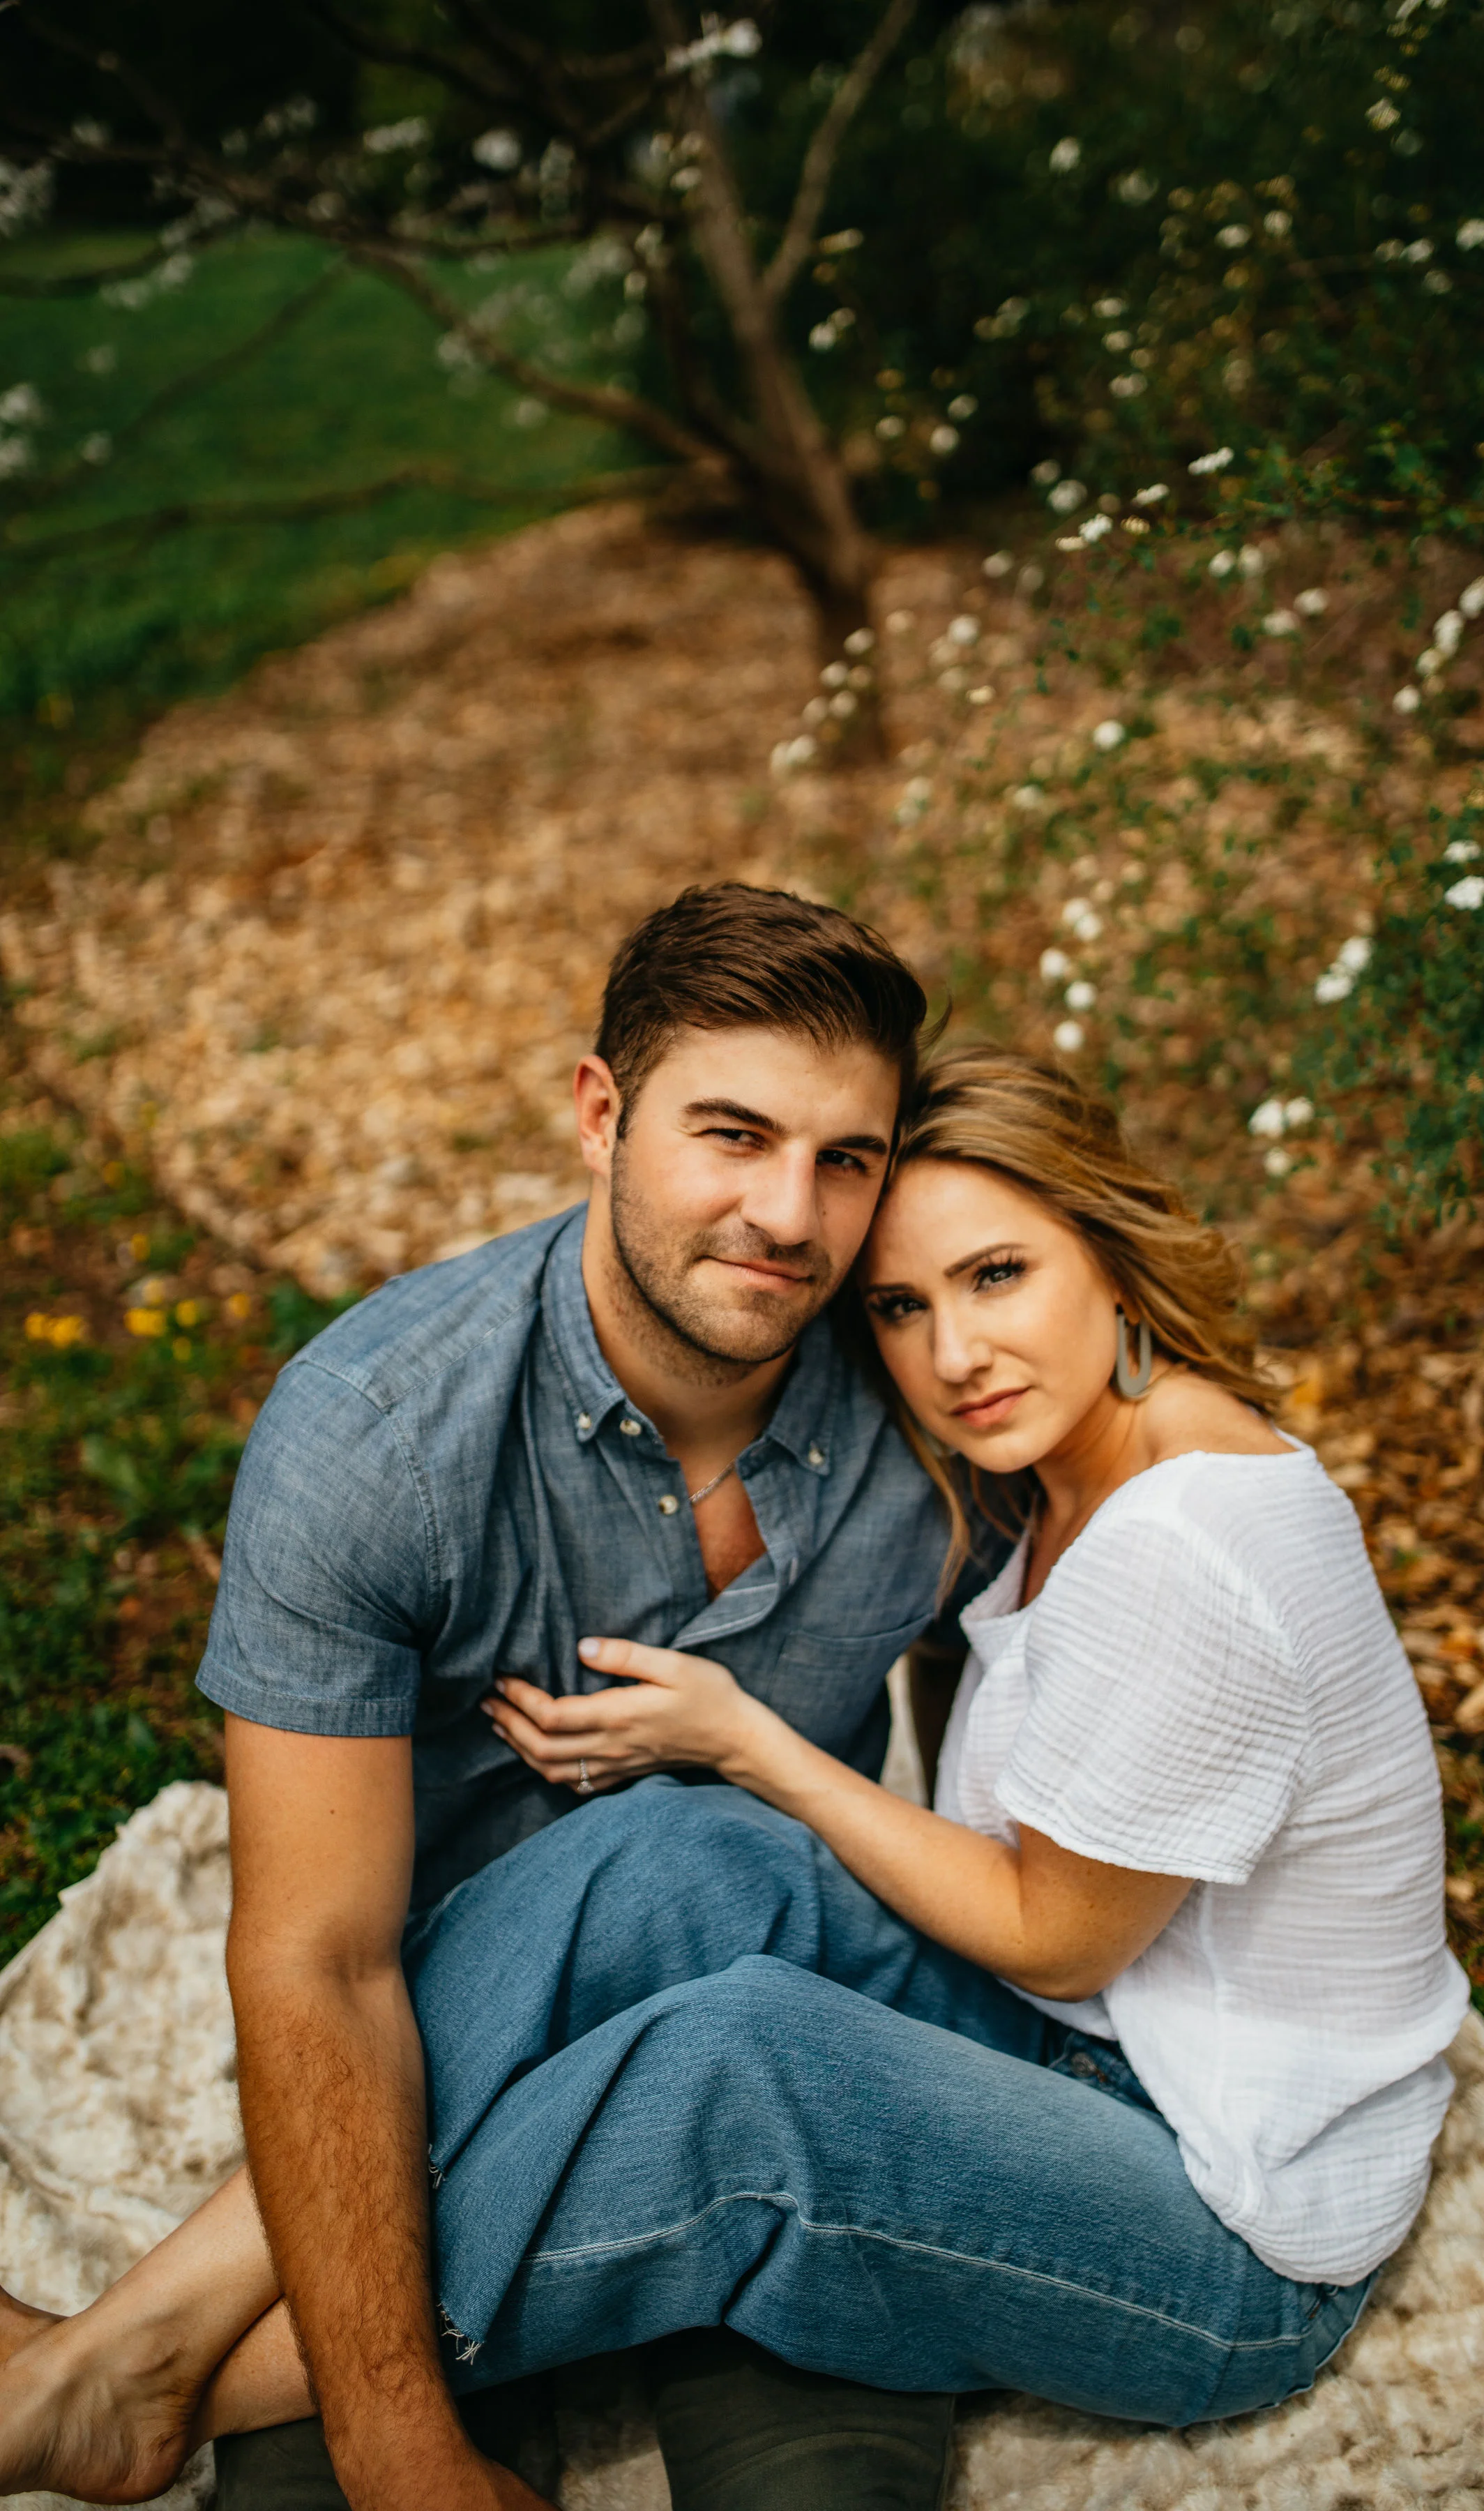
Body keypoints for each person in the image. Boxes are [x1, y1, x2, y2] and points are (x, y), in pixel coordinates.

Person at [0, 1043, 1469, 2487]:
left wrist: (750, 1741)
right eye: (901, 1306)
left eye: (999, 1275)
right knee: (663, 1855)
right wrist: (727, 1778)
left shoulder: (1189, 1548)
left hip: (1220, 2216)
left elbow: (1057, 1933)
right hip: (1079, 2044)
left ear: (1112, 1252)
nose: (955, 1356)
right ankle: (130, 2339)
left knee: (740, 2066)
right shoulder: (1071, 1466)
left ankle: (164, 2393)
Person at [0, 886, 1003, 2511]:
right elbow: (319, 1962)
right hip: (431, 2087)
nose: (788, 1215)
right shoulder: (377, 1438)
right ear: (601, 1115)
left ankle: (125, 2352)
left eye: (847, 1159)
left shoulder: (940, 1391)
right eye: (732, 1136)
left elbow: (1034, 1604)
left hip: (786, 2052)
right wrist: (396, 2441)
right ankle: (154, 2370)